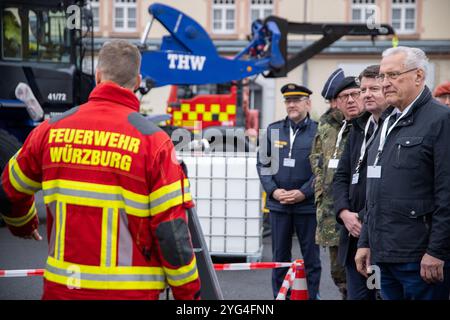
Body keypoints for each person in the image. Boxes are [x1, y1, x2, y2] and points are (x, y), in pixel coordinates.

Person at [0, 40, 201, 300]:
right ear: (138, 81)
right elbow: (172, 233)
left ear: (97, 76)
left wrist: (23, 224)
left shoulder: (49, 131)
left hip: (62, 292)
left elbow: (8, 191)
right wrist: (191, 297)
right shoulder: (155, 143)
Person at [355, 46, 450, 300]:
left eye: (393, 75)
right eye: (382, 76)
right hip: (383, 256)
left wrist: (437, 251)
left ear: (418, 76)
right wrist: (365, 242)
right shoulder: (386, 121)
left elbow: (447, 193)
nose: (385, 83)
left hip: (420, 260)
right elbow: (373, 192)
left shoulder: (441, 120)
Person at [257, 83, 321, 299]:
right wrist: (274, 192)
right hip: (279, 205)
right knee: (279, 258)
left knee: (311, 259)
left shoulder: (319, 132)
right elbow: (263, 165)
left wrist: (304, 192)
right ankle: (280, 296)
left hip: (307, 206)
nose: (292, 105)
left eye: (297, 100)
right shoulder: (272, 130)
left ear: (308, 103)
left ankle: (312, 295)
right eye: (288, 101)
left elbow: (321, 169)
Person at [332, 65, 389, 299]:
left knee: (378, 293)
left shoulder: (394, 127)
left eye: (373, 88)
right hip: (352, 235)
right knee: (357, 295)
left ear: (387, 89)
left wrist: (363, 218)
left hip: (378, 236)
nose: (366, 94)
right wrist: (344, 212)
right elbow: (342, 176)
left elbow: (392, 185)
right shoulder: (359, 127)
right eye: (363, 89)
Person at [310, 74, 364, 299]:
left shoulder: (371, 126)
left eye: (355, 94)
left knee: (367, 276)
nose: (350, 100)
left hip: (360, 215)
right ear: (337, 102)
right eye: (344, 96)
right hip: (333, 215)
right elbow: (317, 159)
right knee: (339, 274)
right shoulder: (328, 125)